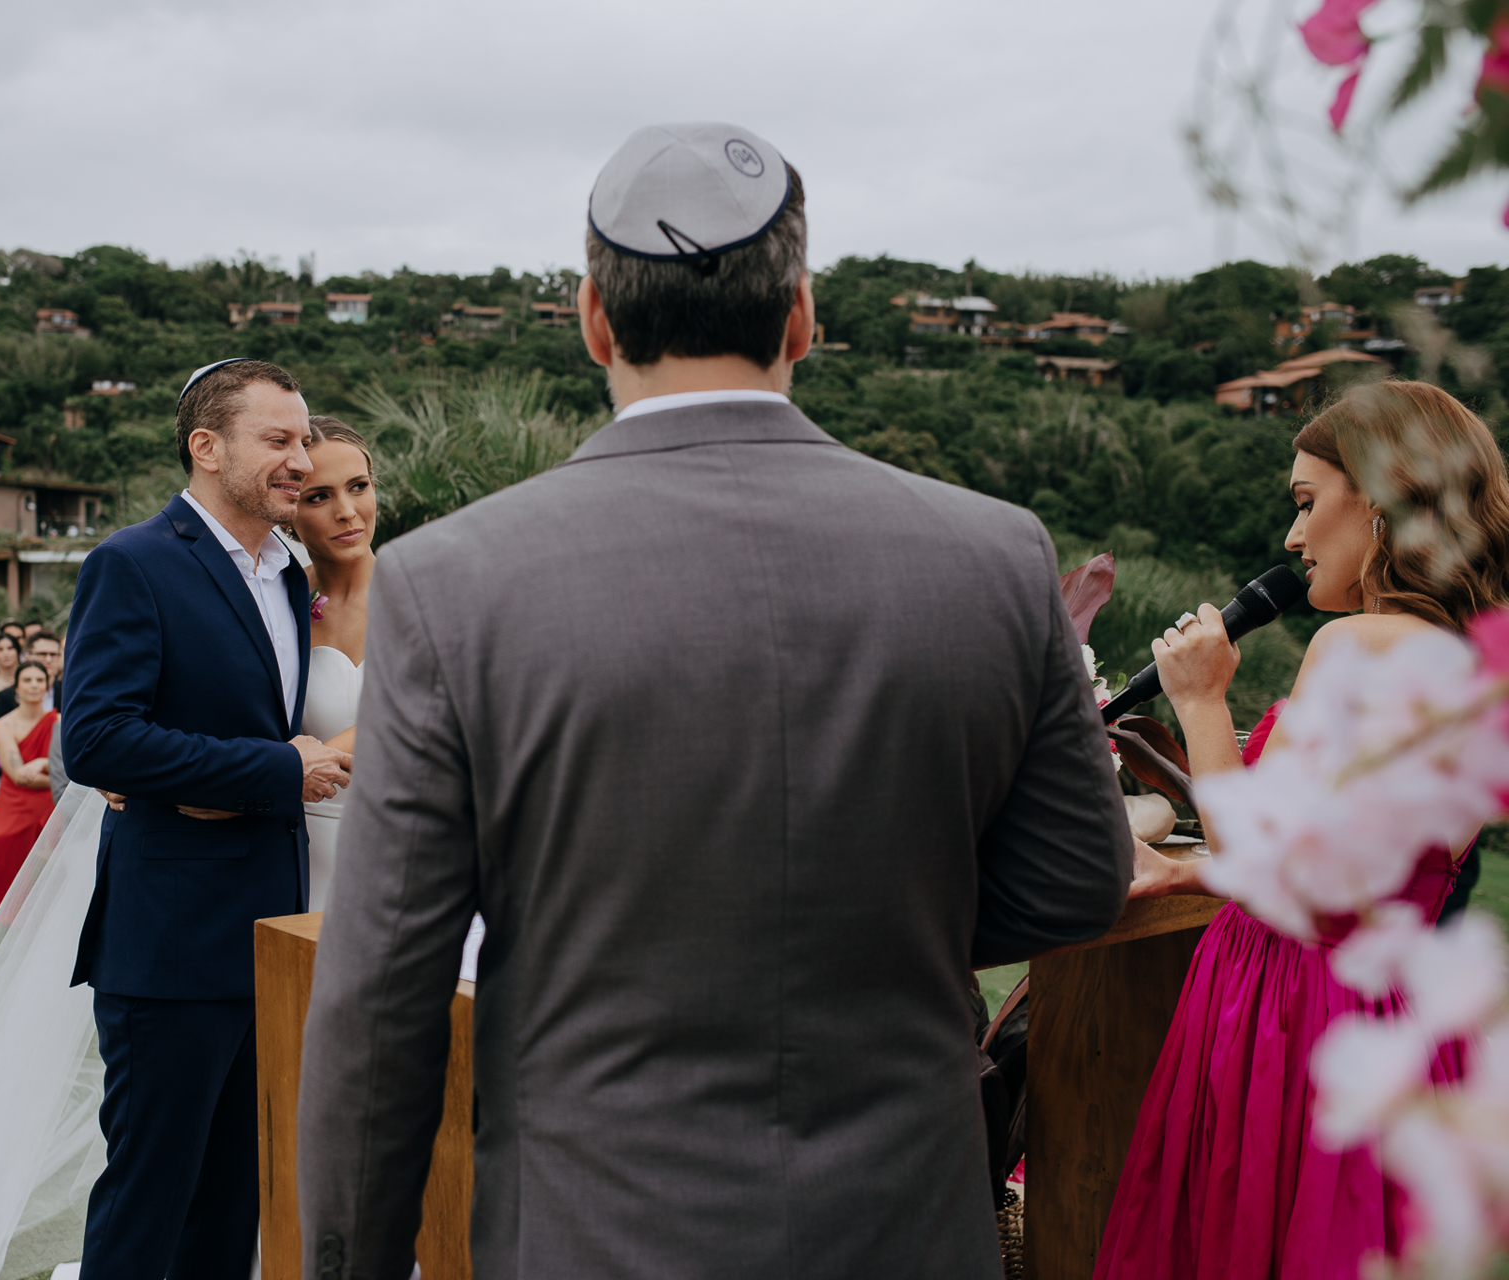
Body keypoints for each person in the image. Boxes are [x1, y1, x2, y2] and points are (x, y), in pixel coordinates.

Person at [295, 123, 1131, 1279]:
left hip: (598, 1230)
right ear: (801, 316)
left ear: (594, 316)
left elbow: (382, 1001)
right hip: (906, 1225)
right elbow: (1075, 877)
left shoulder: (453, 580)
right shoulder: (990, 552)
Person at [1093, 380, 1509, 1279]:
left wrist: (1201, 699)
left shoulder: (1358, 645)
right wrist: (1185, 874)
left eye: (1308, 504)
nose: (1292, 538)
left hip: (1287, 1016)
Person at [62, 356, 352, 1280]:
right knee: (151, 1201)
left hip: (273, 936)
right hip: (173, 942)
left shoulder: (288, 572)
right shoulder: (134, 562)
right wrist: (275, 770)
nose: (300, 458)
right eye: (279, 439)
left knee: (235, 1206)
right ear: (206, 446)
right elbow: (97, 741)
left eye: (304, 438)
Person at [288, 416, 373, 913]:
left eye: (358, 487)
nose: (347, 512)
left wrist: (260, 778)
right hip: (299, 855)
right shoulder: (271, 607)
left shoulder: (435, 595)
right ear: (288, 512)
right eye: (318, 497)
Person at [0, 660, 60, 926]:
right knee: (3, 836)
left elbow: (64, 769)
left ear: (46, 687)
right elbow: (18, 775)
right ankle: (8, 907)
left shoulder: (58, 721)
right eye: (28, 680)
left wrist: (44, 764)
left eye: (39, 680)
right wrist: (56, 777)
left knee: (56, 831)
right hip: (15, 798)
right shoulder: (4, 724)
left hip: (53, 797)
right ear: (17, 688)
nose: (34, 685)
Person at [0, 630, 62, 720]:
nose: (48, 659)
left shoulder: (68, 692)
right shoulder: (6, 697)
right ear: (27, 657)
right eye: (42, 654)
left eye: (53, 654)